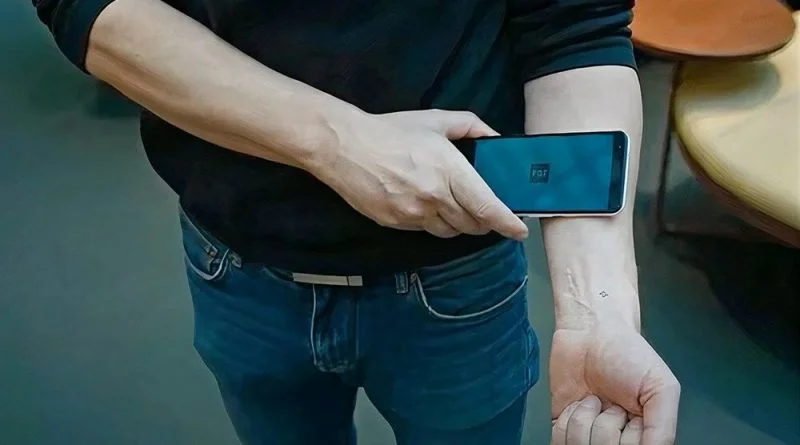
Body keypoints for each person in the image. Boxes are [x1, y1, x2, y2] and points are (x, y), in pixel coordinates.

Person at [32, 0, 680, 443]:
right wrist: (337, 141)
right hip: (236, 259)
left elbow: (575, 30)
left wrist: (598, 313)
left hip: (455, 279)